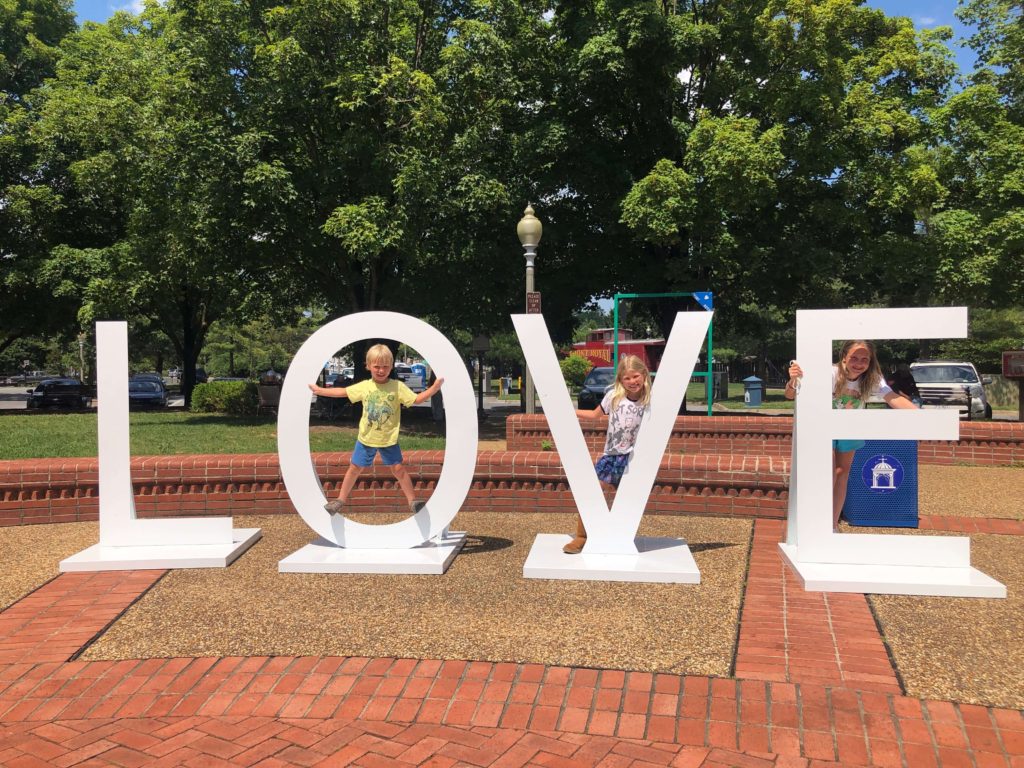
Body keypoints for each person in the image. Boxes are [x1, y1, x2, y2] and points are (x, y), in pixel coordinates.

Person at [785, 340, 918, 531]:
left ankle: (832, 524)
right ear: (844, 357)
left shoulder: (872, 378)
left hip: (850, 428)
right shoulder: (830, 373)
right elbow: (790, 395)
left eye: (865, 359)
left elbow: (893, 398)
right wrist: (793, 380)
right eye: (854, 357)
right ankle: (815, 522)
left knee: (842, 473)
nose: (859, 363)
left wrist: (922, 418)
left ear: (871, 361)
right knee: (827, 471)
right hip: (823, 427)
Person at [309, 344, 444, 516]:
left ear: (391, 366)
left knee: (398, 469)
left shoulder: (397, 387)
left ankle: (413, 501)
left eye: (385, 366)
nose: (381, 370)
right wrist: (320, 390)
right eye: (377, 366)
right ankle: (340, 500)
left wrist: (433, 388)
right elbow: (343, 392)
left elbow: (416, 400)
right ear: (368, 366)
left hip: (388, 439)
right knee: (354, 468)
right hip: (366, 438)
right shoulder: (365, 386)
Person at [563, 354, 652, 554]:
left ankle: (621, 537)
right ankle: (582, 536)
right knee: (591, 492)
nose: (632, 382)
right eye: (627, 378)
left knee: (628, 499)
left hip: (634, 458)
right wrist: (570, 411)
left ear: (644, 375)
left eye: (636, 376)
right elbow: (595, 415)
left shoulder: (650, 400)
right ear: (620, 380)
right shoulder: (614, 397)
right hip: (612, 455)